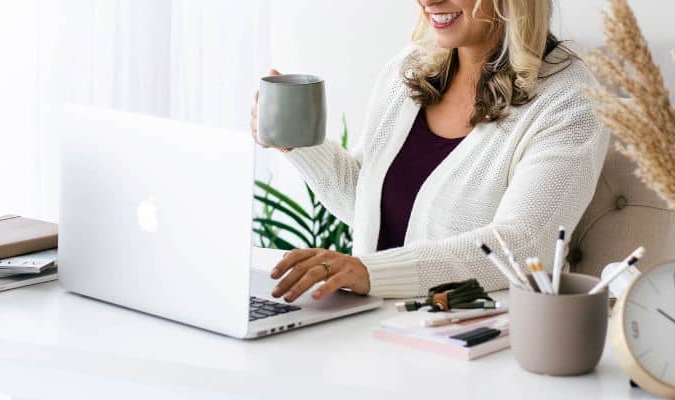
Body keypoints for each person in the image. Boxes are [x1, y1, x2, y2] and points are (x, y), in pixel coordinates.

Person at [249, 0, 609, 302]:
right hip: (369, 327)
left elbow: (521, 244)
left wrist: (368, 272)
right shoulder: (409, 70)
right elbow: (366, 203)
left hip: (476, 344)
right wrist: (294, 143)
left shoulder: (570, 103)